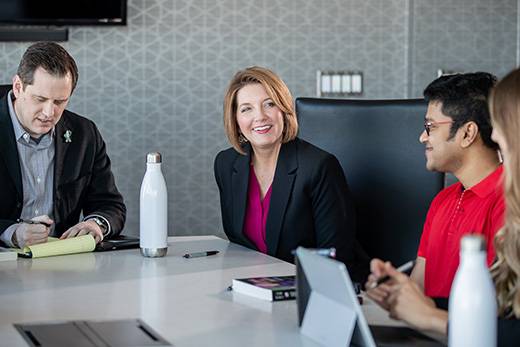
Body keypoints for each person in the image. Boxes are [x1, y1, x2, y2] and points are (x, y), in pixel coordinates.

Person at [364, 68, 520, 346]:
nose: (422, 138)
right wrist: (398, 293)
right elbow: (421, 288)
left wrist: (425, 314)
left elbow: (498, 317)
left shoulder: (509, 204)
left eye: (430, 127)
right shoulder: (443, 199)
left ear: (467, 133)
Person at [214, 66, 368, 282]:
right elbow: (239, 245)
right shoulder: (227, 164)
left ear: (284, 111)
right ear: (236, 121)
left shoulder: (319, 167)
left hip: (307, 289)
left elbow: (334, 257)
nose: (259, 116)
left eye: (269, 104)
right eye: (246, 109)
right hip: (253, 289)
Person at [0, 42, 126, 248]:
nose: (49, 113)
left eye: (59, 101)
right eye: (40, 99)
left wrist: (96, 224)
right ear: (18, 87)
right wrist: (10, 232)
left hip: (61, 259)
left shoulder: (85, 134)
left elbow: (110, 204)